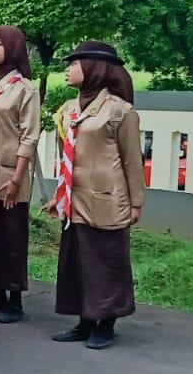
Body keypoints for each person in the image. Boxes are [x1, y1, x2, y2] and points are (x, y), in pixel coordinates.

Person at [50, 42, 144, 349]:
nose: (68, 69)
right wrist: (58, 195)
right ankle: (85, 321)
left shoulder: (119, 111)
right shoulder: (69, 109)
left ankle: (106, 323)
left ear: (94, 68)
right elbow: (66, 157)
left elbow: (132, 160)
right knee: (79, 263)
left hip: (107, 199)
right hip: (74, 200)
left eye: (74, 64)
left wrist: (136, 202)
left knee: (106, 262)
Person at [0, 25, 42, 323]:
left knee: (11, 238)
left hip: (10, 174)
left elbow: (30, 137)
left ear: (14, 48)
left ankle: (15, 299)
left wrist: (18, 178)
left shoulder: (25, 89)